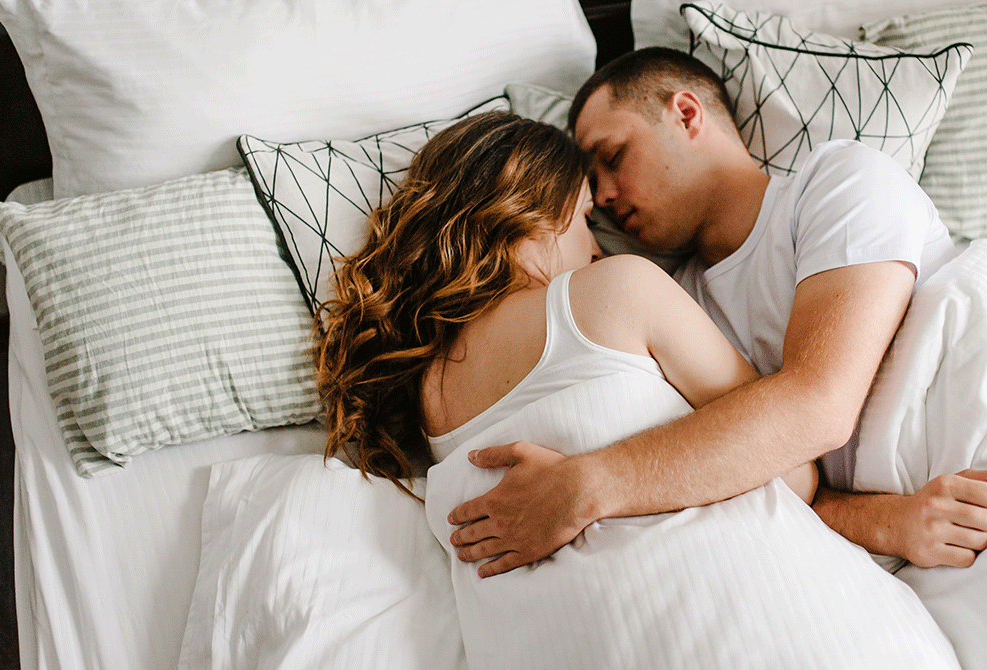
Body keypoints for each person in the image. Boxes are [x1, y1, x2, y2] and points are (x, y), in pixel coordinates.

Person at [447, 47, 987, 575]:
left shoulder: (836, 183)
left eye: (613, 157)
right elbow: (769, 478)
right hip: (936, 522)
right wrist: (889, 522)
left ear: (687, 114)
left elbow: (819, 405)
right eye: (591, 183)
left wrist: (587, 486)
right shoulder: (680, 311)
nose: (600, 197)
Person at [315, 110, 818, 558]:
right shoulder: (622, 287)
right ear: (534, 213)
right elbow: (796, 472)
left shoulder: (426, 396)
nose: (597, 247)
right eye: (582, 218)